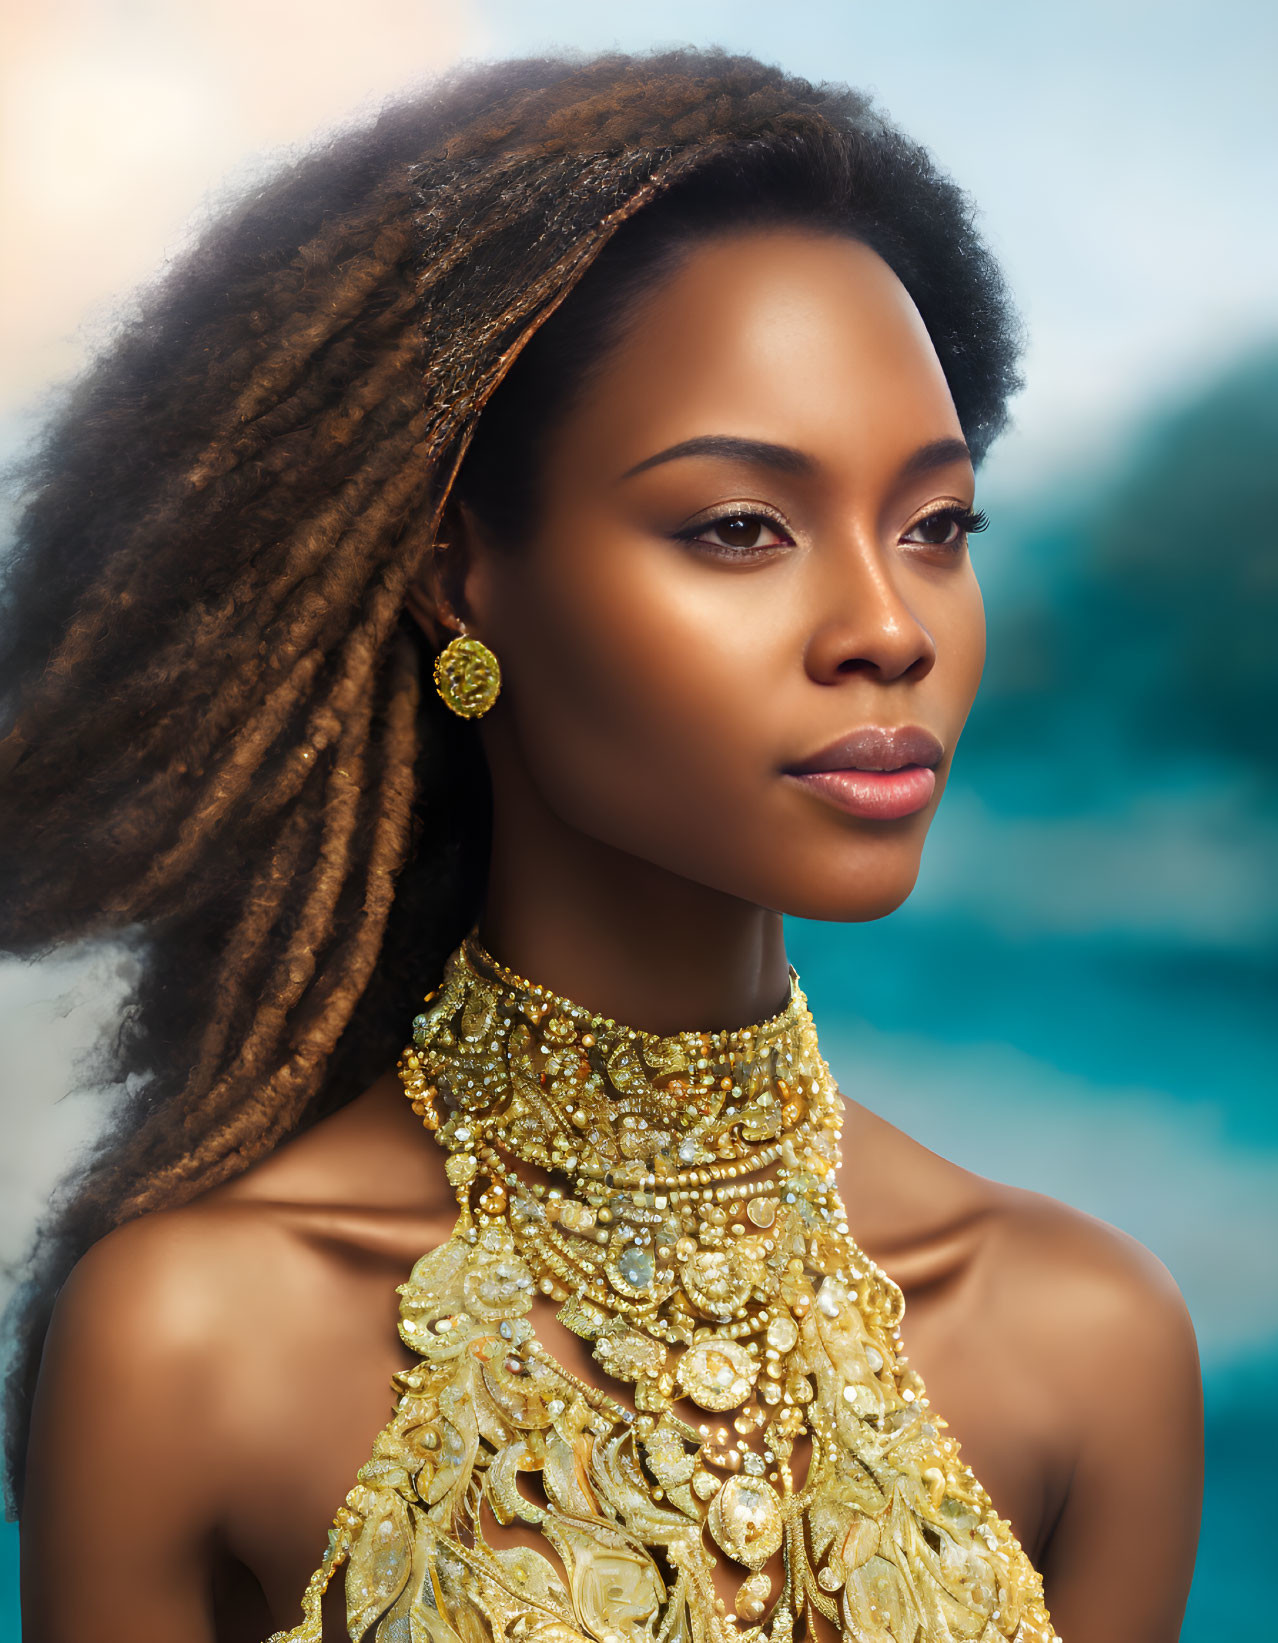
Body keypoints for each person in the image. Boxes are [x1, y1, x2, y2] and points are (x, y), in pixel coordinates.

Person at [0, 47, 1203, 1643]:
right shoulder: (188, 1340)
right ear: (457, 574)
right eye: (737, 529)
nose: (886, 629)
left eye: (935, 526)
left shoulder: (1086, 1338)